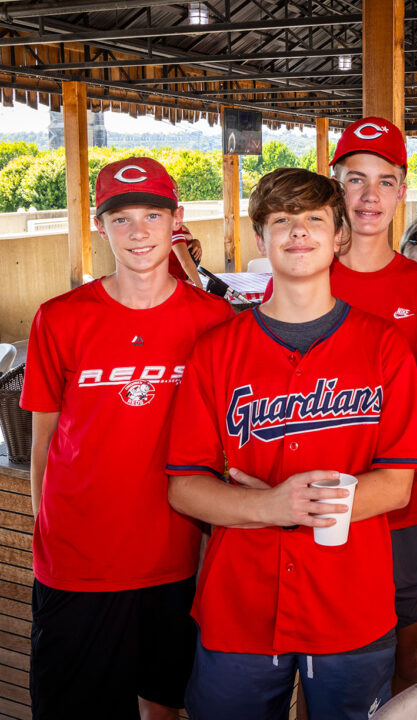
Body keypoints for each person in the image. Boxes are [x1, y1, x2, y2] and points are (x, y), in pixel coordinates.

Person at [165, 167, 417, 720]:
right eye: (281, 220)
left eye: (315, 218)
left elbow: (396, 486)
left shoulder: (383, 345)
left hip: (350, 605)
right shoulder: (216, 351)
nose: (298, 232)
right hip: (239, 604)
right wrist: (269, 505)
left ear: (339, 236)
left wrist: (292, 505)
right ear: (260, 237)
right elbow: (184, 488)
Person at [20, 157, 235, 720]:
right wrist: (48, 532)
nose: (138, 232)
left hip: (172, 553)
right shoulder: (59, 319)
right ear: (99, 225)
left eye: (152, 215)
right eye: (121, 218)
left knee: (162, 705)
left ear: (176, 221)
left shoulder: (213, 322)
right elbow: (44, 439)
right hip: (78, 560)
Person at [263, 117, 417, 693]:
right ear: (334, 185)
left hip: (405, 513)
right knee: (316, 665)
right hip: (319, 508)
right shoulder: (301, 275)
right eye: (355, 179)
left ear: (402, 188)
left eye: (386, 181)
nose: (370, 196)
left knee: (408, 658)